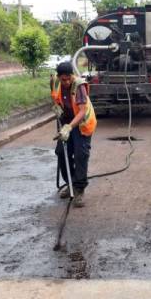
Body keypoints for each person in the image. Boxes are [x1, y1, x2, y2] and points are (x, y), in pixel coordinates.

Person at [50, 62, 97, 207]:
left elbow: (82, 111)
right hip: (67, 121)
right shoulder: (55, 83)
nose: (66, 82)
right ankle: (70, 183)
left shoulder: (79, 86)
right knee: (61, 153)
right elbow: (55, 98)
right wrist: (57, 108)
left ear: (72, 76)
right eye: (63, 79)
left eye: (68, 78)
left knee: (80, 154)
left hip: (81, 123)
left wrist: (69, 127)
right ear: (59, 77)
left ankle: (79, 189)